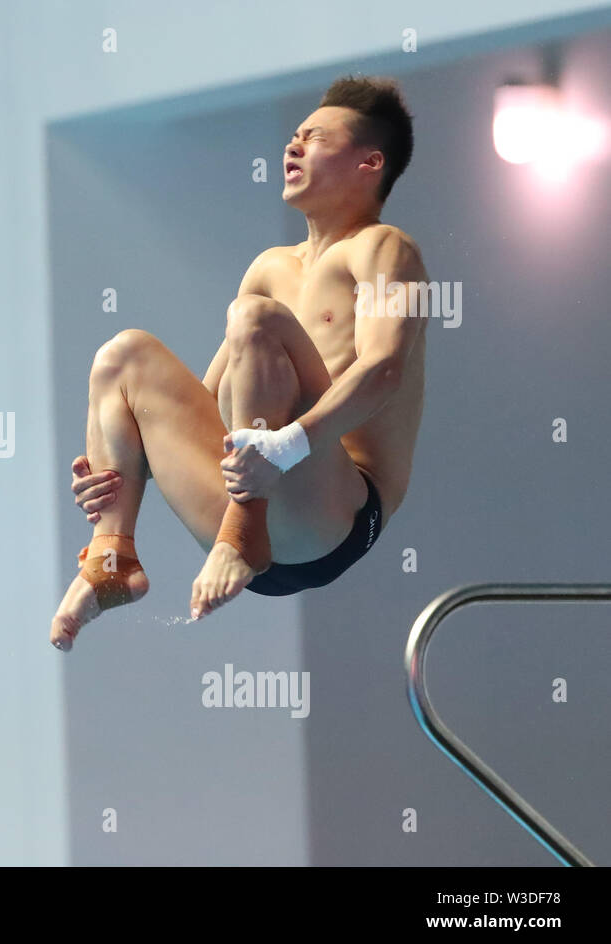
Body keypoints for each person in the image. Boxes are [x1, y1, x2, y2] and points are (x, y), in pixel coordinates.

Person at [51, 75, 427, 651]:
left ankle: (243, 531)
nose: (292, 147)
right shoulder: (270, 266)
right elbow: (201, 415)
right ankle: (110, 560)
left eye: (316, 138)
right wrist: (118, 471)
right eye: (293, 137)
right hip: (253, 497)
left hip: (334, 514)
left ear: (369, 162)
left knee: (255, 317)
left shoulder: (385, 247)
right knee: (123, 356)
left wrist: (288, 447)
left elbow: (385, 370)